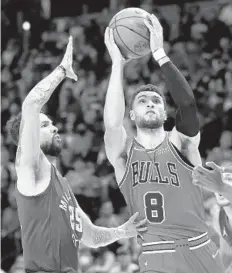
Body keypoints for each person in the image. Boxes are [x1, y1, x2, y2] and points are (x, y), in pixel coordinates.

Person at [6, 37, 147, 273]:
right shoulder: (30, 168)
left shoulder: (60, 184)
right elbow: (31, 104)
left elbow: (91, 236)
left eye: (51, 123)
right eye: (44, 125)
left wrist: (122, 231)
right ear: (27, 136)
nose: (54, 127)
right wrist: (62, 70)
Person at [103, 14, 224, 273]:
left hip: (198, 248)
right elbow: (112, 125)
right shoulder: (124, 154)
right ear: (132, 114)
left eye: (156, 101)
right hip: (155, 256)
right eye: (143, 100)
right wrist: (117, 65)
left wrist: (159, 53)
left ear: (165, 114)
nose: (150, 103)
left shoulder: (182, 143)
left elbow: (188, 104)